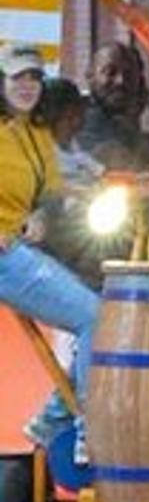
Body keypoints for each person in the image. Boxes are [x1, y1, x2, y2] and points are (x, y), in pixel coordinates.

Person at [0, 48, 99, 458]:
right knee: (97, 316)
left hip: (15, 246)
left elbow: (52, 188)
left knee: (101, 312)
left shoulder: (34, 132)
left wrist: (46, 211)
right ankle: (87, 432)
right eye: (18, 77)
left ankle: (56, 418)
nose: (27, 86)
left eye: (35, 79)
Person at [77, 43, 149, 172]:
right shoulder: (80, 124)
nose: (120, 81)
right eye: (110, 72)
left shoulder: (133, 126)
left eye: (129, 74)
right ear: (90, 76)